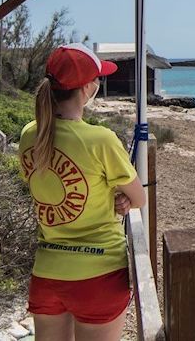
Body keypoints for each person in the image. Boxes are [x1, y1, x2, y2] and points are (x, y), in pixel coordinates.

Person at [18, 43, 147, 341]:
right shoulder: (100, 139)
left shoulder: (28, 135)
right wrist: (117, 196)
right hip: (99, 274)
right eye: (98, 79)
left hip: (47, 273)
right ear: (88, 88)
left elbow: (45, 186)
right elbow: (139, 198)